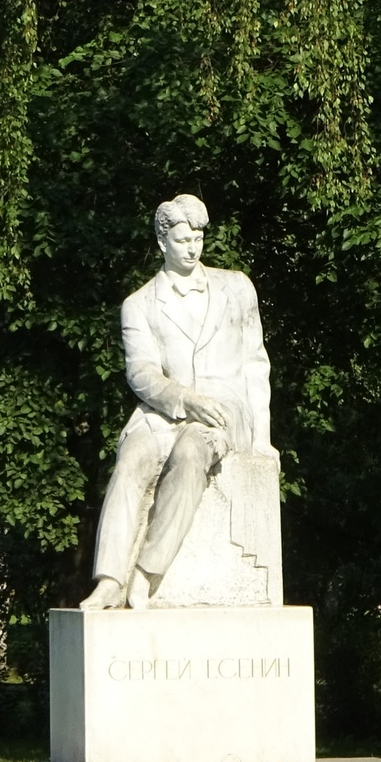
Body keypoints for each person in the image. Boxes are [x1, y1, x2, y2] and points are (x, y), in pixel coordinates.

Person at [82, 195, 275, 609]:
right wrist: (185, 399)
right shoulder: (140, 304)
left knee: (190, 453)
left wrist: (263, 440)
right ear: (162, 240)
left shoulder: (236, 287)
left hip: (225, 411)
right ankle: (110, 579)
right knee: (131, 460)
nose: (193, 248)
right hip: (161, 413)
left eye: (199, 238)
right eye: (184, 240)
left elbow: (256, 364)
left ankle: (148, 572)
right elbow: (142, 373)